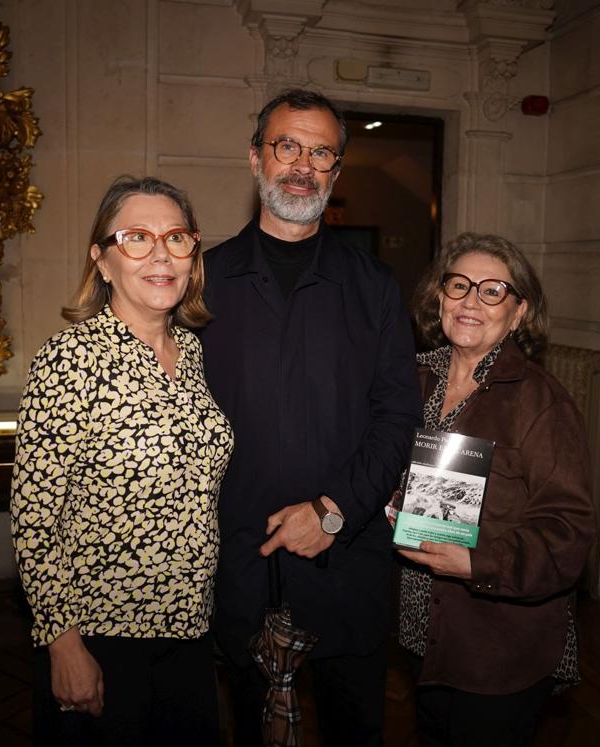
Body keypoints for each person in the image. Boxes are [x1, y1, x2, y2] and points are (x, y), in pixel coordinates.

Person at [200, 89, 422, 746]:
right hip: (239, 566)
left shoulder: (374, 286)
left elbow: (398, 417)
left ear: (336, 171)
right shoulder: (200, 284)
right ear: (255, 158)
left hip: (346, 566)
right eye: (288, 146)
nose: (303, 165)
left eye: (321, 153)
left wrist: (332, 511)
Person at [10, 176, 233, 746]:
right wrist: (63, 643)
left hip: (189, 631)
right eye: (136, 238)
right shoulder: (69, 359)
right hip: (102, 636)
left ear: (193, 254)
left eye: (176, 238)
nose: (161, 255)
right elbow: (34, 520)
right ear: (102, 260)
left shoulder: (193, 352)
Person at [395, 232, 596, 747]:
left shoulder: (541, 405)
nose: (470, 301)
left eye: (492, 291)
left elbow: (567, 535)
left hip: (495, 646)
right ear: (439, 296)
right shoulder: (411, 379)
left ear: (519, 312)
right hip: (419, 628)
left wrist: (476, 562)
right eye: (459, 285)